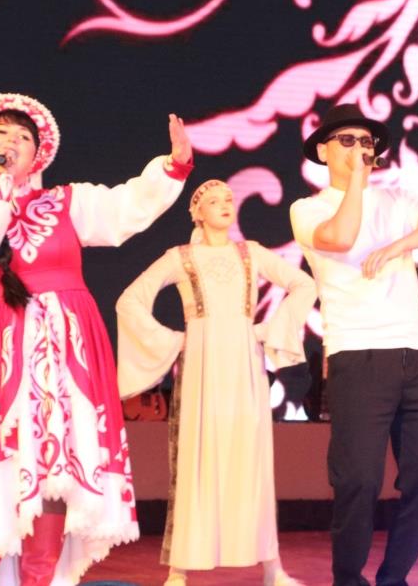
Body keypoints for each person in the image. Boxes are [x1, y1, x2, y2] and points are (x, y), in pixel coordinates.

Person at [0, 93, 193, 586]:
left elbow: (126, 205)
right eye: (2, 134)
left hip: (66, 355)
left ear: (39, 154)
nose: (13, 142)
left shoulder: (68, 202)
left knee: (56, 470)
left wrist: (172, 167)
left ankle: (41, 576)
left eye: (24, 136)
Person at [289, 103, 418, 586]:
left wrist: (397, 245)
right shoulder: (308, 209)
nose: (359, 149)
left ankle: (392, 579)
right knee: (358, 482)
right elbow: (342, 237)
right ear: (323, 152)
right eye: (346, 141)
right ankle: (348, 579)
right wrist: (357, 184)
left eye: (365, 142)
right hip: (358, 356)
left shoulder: (397, 199)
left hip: (417, 355)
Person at [116, 179, 316, 586]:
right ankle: (179, 569)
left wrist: (267, 331)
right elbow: (129, 301)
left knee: (252, 458)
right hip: (201, 366)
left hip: (245, 365)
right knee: (196, 456)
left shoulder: (251, 253)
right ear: (197, 212)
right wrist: (174, 340)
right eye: (213, 200)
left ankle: (272, 568)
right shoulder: (182, 257)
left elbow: (305, 284)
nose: (224, 204)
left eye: (228, 198)